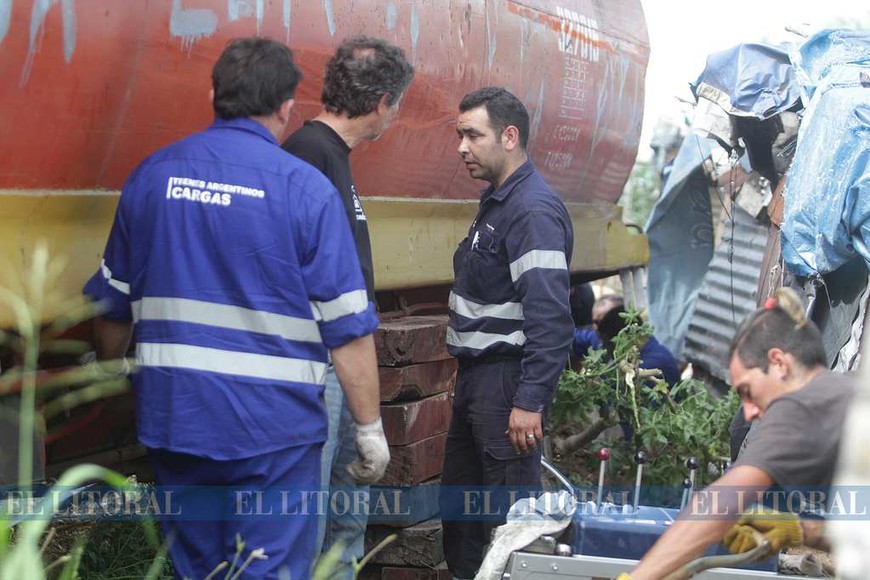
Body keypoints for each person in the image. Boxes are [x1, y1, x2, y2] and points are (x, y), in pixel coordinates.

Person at [82, 37, 389, 580]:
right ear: (286, 107)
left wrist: (108, 368)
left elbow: (113, 304)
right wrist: (369, 428)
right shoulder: (306, 191)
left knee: (198, 569)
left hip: (179, 422)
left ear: (212, 94)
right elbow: (347, 328)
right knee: (267, 570)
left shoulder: (152, 176)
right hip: (272, 433)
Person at [281, 36, 414, 578]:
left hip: (342, 358)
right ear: (383, 101)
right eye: (397, 104)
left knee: (347, 505)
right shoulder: (309, 154)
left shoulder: (330, 155)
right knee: (316, 513)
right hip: (320, 360)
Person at [622, 288, 857, 580]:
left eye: (747, 390)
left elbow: (722, 503)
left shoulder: (800, 405)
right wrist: (803, 530)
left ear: (780, 363)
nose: (748, 413)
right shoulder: (845, 392)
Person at [440, 87, 574, 579]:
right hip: (478, 383)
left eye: (473, 135)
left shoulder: (532, 212)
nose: (462, 147)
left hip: (505, 387)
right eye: (460, 135)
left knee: (506, 526)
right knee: (463, 520)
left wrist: (530, 400)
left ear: (509, 136)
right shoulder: (498, 203)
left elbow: (551, 318)